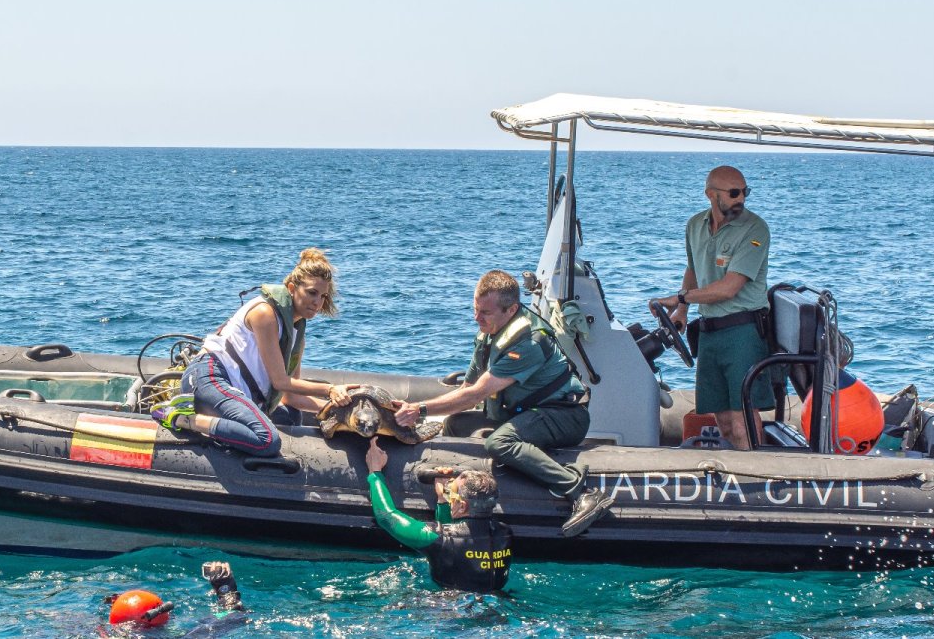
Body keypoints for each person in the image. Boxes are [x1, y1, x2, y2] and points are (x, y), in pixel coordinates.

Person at [394, 270, 613, 538]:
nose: (477, 318)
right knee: (457, 423)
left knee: (499, 443)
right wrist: (415, 411)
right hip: (524, 412)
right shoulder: (488, 334)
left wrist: (420, 409)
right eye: (475, 309)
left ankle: (583, 492)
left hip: (564, 414)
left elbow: (477, 395)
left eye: (485, 312)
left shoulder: (529, 342)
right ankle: (462, 492)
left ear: (511, 310)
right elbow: (467, 389)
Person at [154, 248, 358, 456]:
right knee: (266, 439)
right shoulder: (265, 314)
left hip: (237, 391)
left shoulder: (297, 334)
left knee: (290, 417)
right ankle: (179, 416)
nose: (317, 302)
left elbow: (290, 397)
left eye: (323, 296)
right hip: (210, 377)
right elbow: (280, 382)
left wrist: (338, 410)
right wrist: (330, 389)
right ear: (291, 288)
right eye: (311, 292)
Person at [655, 165, 773, 450]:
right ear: (711, 194)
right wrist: (681, 313)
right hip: (709, 331)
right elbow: (693, 268)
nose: (741, 199)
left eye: (745, 192)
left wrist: (681, 299)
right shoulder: (695, 225)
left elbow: (729, 288)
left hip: (742, 331)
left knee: (742, 417)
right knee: (722, 420)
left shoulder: (754, 229)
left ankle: (756, 475)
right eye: (734, 193)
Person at [364, 436, 512, 592]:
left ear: (462, 506)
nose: (448, 495)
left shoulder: (436, 537)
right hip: (497, 601)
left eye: (451, 493)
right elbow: (462, 539)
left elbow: (386, 516)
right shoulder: (505, 533)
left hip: (449, 607)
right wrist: (442, 500)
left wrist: (375, 472)